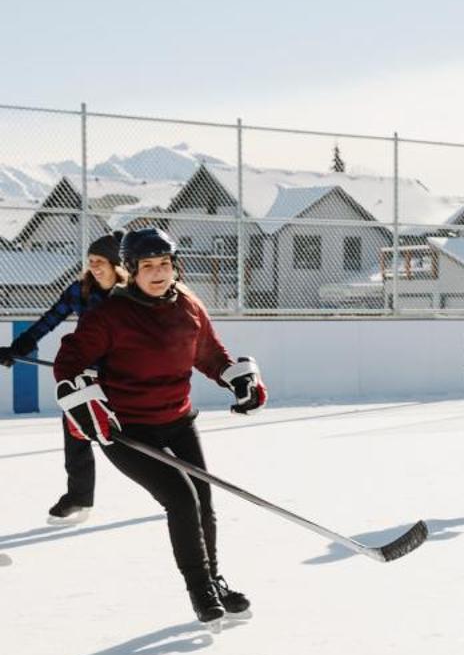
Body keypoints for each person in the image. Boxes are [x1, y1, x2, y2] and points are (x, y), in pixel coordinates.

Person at [51, 227, 268, 630]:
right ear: (130, 270)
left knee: (202, 500)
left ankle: (214, 580)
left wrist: (235, 379)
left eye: (164, 264)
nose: (158, 273)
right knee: (181, 499)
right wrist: (86, 405)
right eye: (147, 266)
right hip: (127, 431)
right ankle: (200, 591)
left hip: (178, 421)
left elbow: (209, 353)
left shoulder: (188, 304)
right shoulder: (109, 315)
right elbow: (69, 364)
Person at [0, 233, 126, 523]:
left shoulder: (129, 295)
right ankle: (80, 497)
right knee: (76, 434)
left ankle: (179, 483)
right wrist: (18, 348)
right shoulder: (79, 292)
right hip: (84, 376)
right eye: (90, 261)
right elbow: (49, 320)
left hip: (123, 377)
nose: (93, 267)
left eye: (100, 262)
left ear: (116, 264)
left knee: (137, 439)